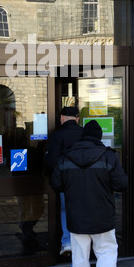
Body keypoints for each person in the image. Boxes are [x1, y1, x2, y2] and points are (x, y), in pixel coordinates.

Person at [51, 119, 128, 267]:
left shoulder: (65, 157)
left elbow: (56, 185)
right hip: (103, 216)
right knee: (106, 251)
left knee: (79, 258)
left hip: (76, 217)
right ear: (99, 138)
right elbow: (121, 184)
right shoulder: (109, 156)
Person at [45, 106, 83, 256]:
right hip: (86, 181)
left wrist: (55, 181)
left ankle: (67, 242)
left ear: (61, 118)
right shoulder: (86, 133)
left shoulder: (57, 135)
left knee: (65, 210)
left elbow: (50, 162)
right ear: (77, 119)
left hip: (66, 182)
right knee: (85, 210)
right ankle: (84, 241)